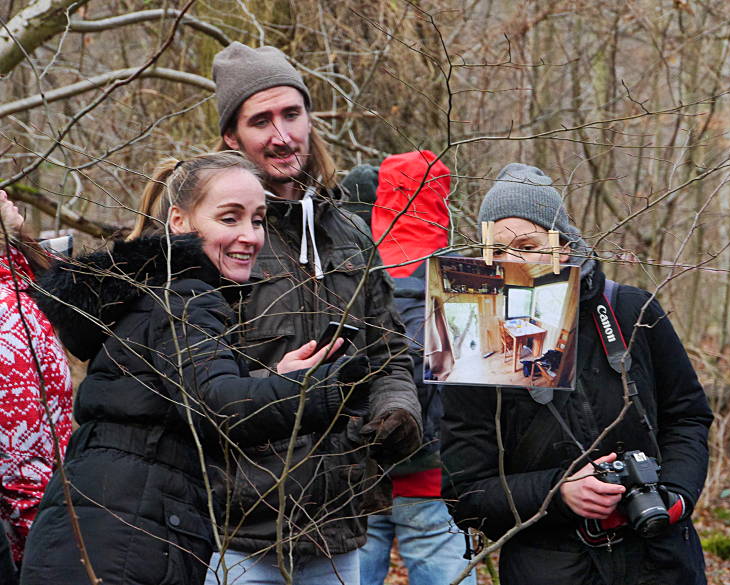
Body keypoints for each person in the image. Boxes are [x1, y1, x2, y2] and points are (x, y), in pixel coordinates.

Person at [19, 152, 368, 585]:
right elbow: (216, 404)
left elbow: (179, 397)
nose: (250, 236)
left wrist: (274, 380)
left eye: (258, 220)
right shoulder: (186, 298)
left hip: (100, 530)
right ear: (180, 222)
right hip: (121, 544)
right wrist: (324, 390)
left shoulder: (155, 292)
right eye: (230, 218)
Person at [206, 43, 421, 584]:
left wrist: (398, 408)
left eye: (291, 114)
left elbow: (389, 351)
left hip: (337, 525)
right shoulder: (213, 236)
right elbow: (186, 380)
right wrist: (274, 386)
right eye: (261, 121)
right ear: (232, 136)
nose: (282, 136)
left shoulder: (349, 232)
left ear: (309, 118)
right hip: (235, 528)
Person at [441, 163, 713, 585]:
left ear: (563, 246)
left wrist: (674, 495)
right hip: (549, 567)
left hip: (659, 556)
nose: (512, 262)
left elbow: (688, 417)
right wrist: (559, 493)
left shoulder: (629, 311)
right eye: (497, 250)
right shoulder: (470, 335)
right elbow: (466, 492)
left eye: (528, 246)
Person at [353, 151, 477, 585]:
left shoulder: (354, 269)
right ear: (441, 202)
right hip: (432, 479)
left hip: (359, 475)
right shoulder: (463, 278)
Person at [0, 191, 73, 584]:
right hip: (35, 549)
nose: (4, 194)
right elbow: (20, 467)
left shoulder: (19, 288)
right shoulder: (6, 313)